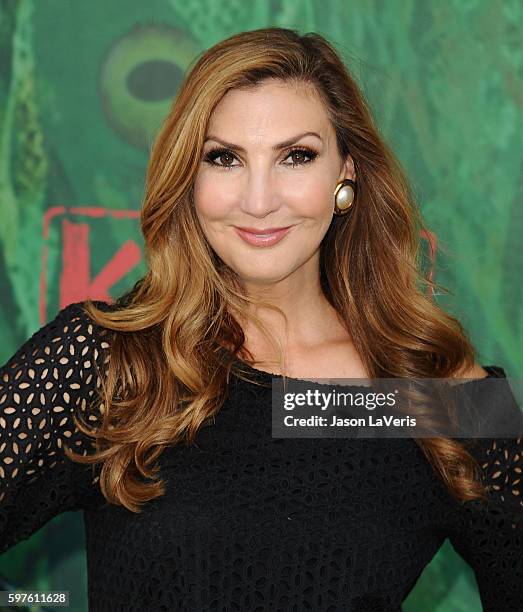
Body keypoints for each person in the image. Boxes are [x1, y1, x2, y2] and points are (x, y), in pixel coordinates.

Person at [1, 26, 522, 612]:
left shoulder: (436, 393)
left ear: (345, 174)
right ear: (189, 179)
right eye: (224, 159)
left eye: (296, 157)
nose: (258, 199)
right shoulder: (110, 357)